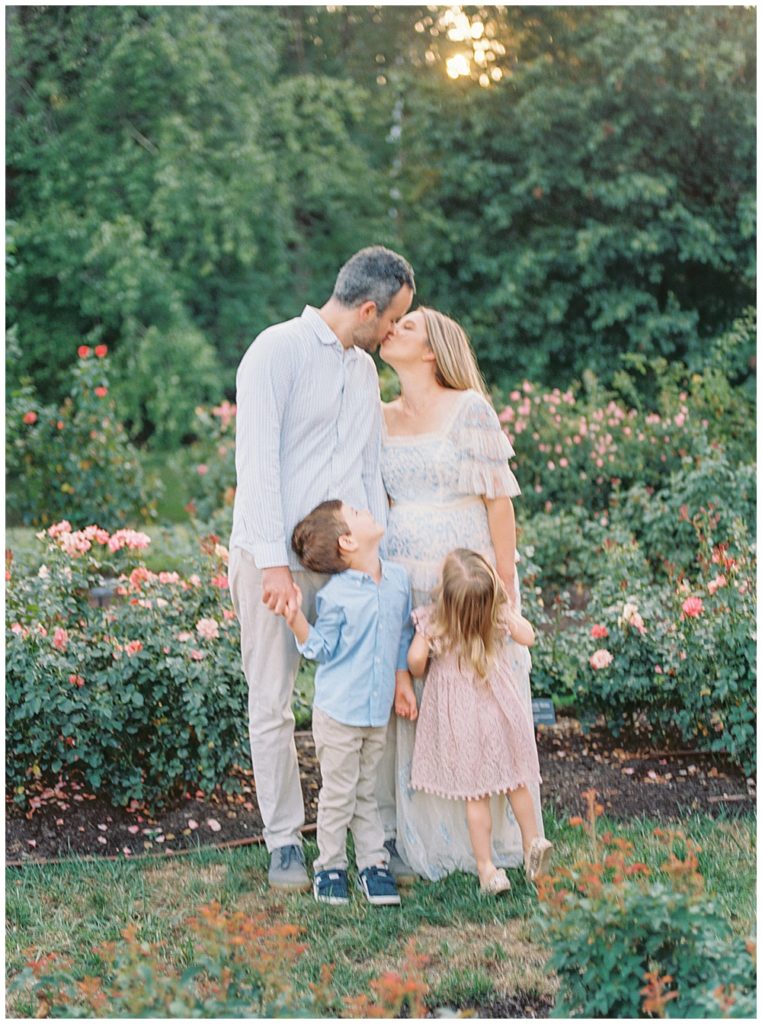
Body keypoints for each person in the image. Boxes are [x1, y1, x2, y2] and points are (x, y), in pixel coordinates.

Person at [229, 247, 415, 890]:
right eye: (392, 320)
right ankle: (285, 842)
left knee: (369, 694)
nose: (393, 333)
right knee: (274, 701)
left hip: (350, 564)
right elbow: (256, 467)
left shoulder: (363, 372)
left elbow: (366, 469)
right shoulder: (274, 352)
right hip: (272, 559)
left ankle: (375, 837)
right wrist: (272, 566)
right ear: (367, 308)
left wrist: (379, 566)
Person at [377, 306, 545, 881]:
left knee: (480, 697)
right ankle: (424, 836)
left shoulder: (470, 409)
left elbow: (499, 504)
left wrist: (505, 591)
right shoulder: (379, 416)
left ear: (431, 351)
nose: (392, 326)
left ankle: (504, 839)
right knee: (423, 699)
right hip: (407, 579)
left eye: (408, 325)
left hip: (465, 579)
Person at [281, 500, 414, 906]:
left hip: (375, 713)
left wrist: (401, 681)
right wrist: (296, 620)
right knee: (340, 792)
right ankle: (330, 866)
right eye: (357, 512)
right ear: (348, 540)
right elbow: (321, 648)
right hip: (338, 713)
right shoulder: (336, 595)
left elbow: (400, 638)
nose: (367, 511)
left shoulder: (398, 581)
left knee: (366, 791)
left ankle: (372, 865)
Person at [401, 549, 551, 895]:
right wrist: (506, 611)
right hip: (497, 713)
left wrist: (423, 642)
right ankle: (532, 843)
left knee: (475, 796)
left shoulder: (435, 622)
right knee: (515, 780)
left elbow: (415, 663)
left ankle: (487, 869)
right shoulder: (495, 618)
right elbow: (528, 636)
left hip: (461, 722)